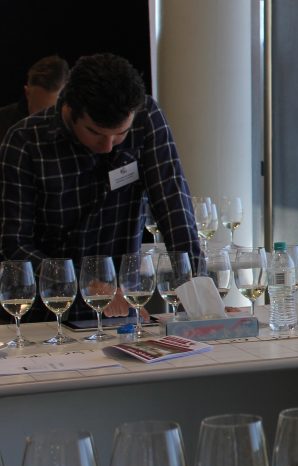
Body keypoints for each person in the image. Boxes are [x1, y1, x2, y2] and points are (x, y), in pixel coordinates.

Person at [0, 52, 200, 321]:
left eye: (121, 134)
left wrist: (198, 293)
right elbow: (14, 244)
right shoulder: (25, 142)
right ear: (69, 109)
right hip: (44, 312)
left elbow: (174, 209)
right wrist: (90, 283)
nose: (108, 146)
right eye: (95, 132)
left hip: (120, 309)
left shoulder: (146, 117)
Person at [0, 55, 69, 141]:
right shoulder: (2, 124)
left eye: (52, 111)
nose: (44, 119)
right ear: (27, 93)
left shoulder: (76, 128)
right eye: (38, 112)